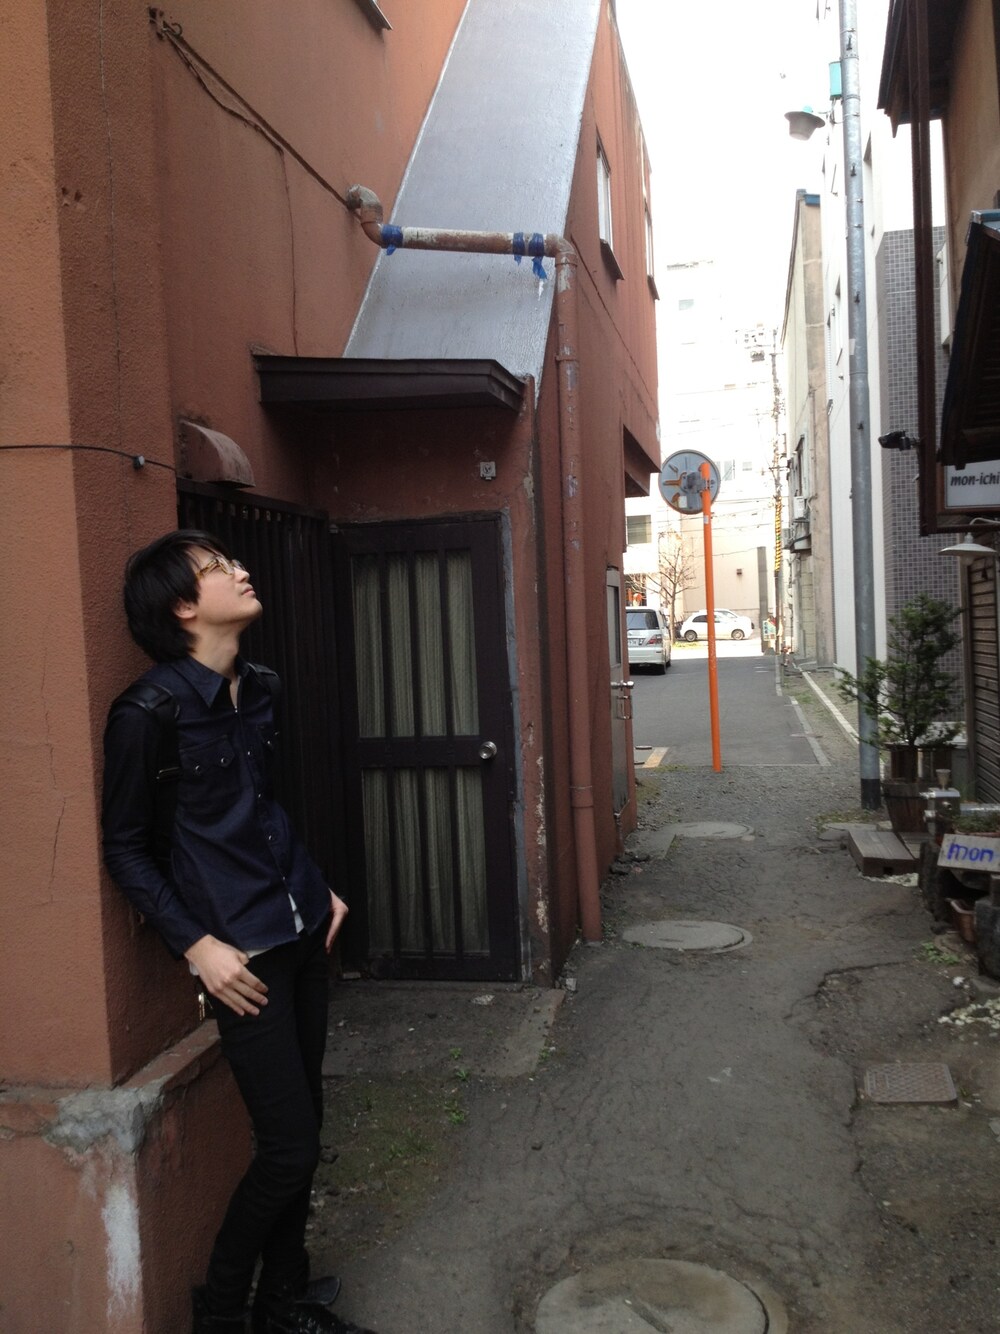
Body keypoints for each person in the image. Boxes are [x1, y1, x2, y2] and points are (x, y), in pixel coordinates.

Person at [102, 530, 369, 1334]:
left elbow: (261, 807)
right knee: (288, 1148)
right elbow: (125, 848)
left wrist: (317, 885)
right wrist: (197, 946)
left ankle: (284, 1300)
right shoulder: (147, 713)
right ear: (183, 608)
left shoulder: (260, 687)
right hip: (239, 959)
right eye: (220, 569)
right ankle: (222, 1314)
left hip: (301, 931)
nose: (241, 571)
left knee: (306, 1127)